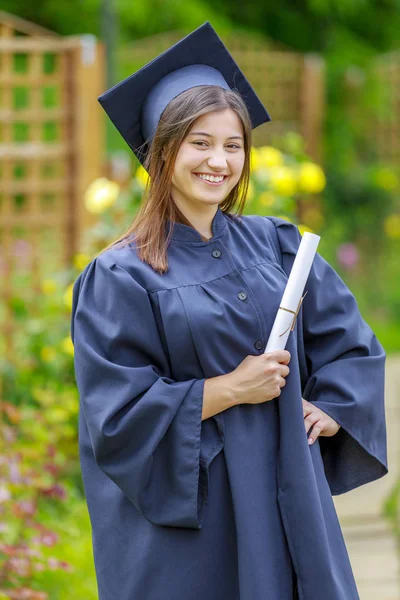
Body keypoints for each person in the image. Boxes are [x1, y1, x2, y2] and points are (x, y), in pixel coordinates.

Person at [71, 21, 388, 600]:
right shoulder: (120, 277)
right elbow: (115, 418)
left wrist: (338, 407)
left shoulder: (277, 245)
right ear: (162, 151)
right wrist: (231, 389)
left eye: (232, 144)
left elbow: (351, 341)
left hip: (288, 484)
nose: (218, 161)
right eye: (199, 143)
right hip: (200, 509)